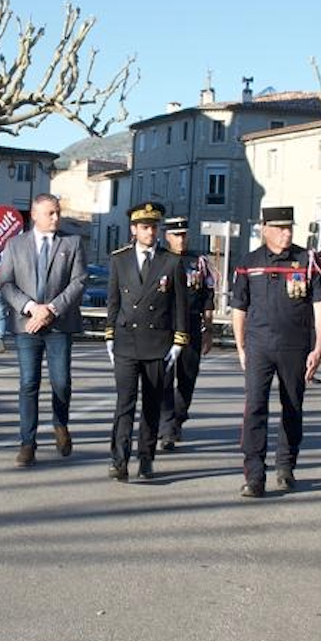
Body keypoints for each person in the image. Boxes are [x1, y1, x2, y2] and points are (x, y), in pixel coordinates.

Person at [229, 206, 321, 498]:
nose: (287, 233)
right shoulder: (250, 262)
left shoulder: (306, 260)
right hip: (259, 345)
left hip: (294, 346)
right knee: (255, 409)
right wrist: (241, 348)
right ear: (265, 229)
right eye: (280, 228)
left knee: (292, 406)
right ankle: (254, 475)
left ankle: (285, 466)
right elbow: (239, 308)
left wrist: (319, 347)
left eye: (290, 228)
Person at [0, 193, 88, 466]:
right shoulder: (15, 245)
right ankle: (27, 443)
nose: (56, 218)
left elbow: (79, 281)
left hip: (59, 324)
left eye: (58, 212)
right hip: (28, 325)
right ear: (34, 215)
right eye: (50, 213)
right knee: (29, 383)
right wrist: (30, 308)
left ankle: (60, 424)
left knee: (61, 381)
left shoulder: (71, 243)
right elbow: (6, 284)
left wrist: (50, 309)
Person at [103, 201, 186, 482]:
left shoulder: (171, 261)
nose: (151, 232)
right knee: (124, 403)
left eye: (154, 227)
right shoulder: (119, 259)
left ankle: (147, 457)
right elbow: (113, 301)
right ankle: (119, 459)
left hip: (157, 342)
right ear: (134, 229)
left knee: (151, 404)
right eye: (145, 227)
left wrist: (178, 341)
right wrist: (109, 335)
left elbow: (179, 306)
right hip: (127, 341)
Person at [159, 216, 215, 450]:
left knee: (187, 377)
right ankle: (167, 427)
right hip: (165, 326)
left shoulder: (197, 261)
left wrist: (208, 329)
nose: (181, 240)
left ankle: (179, 417)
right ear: (167, 236)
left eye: (183, 235)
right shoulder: (159, 260)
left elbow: (208, 297)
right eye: (176, 235)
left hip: (191, 324)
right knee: (163, 378)